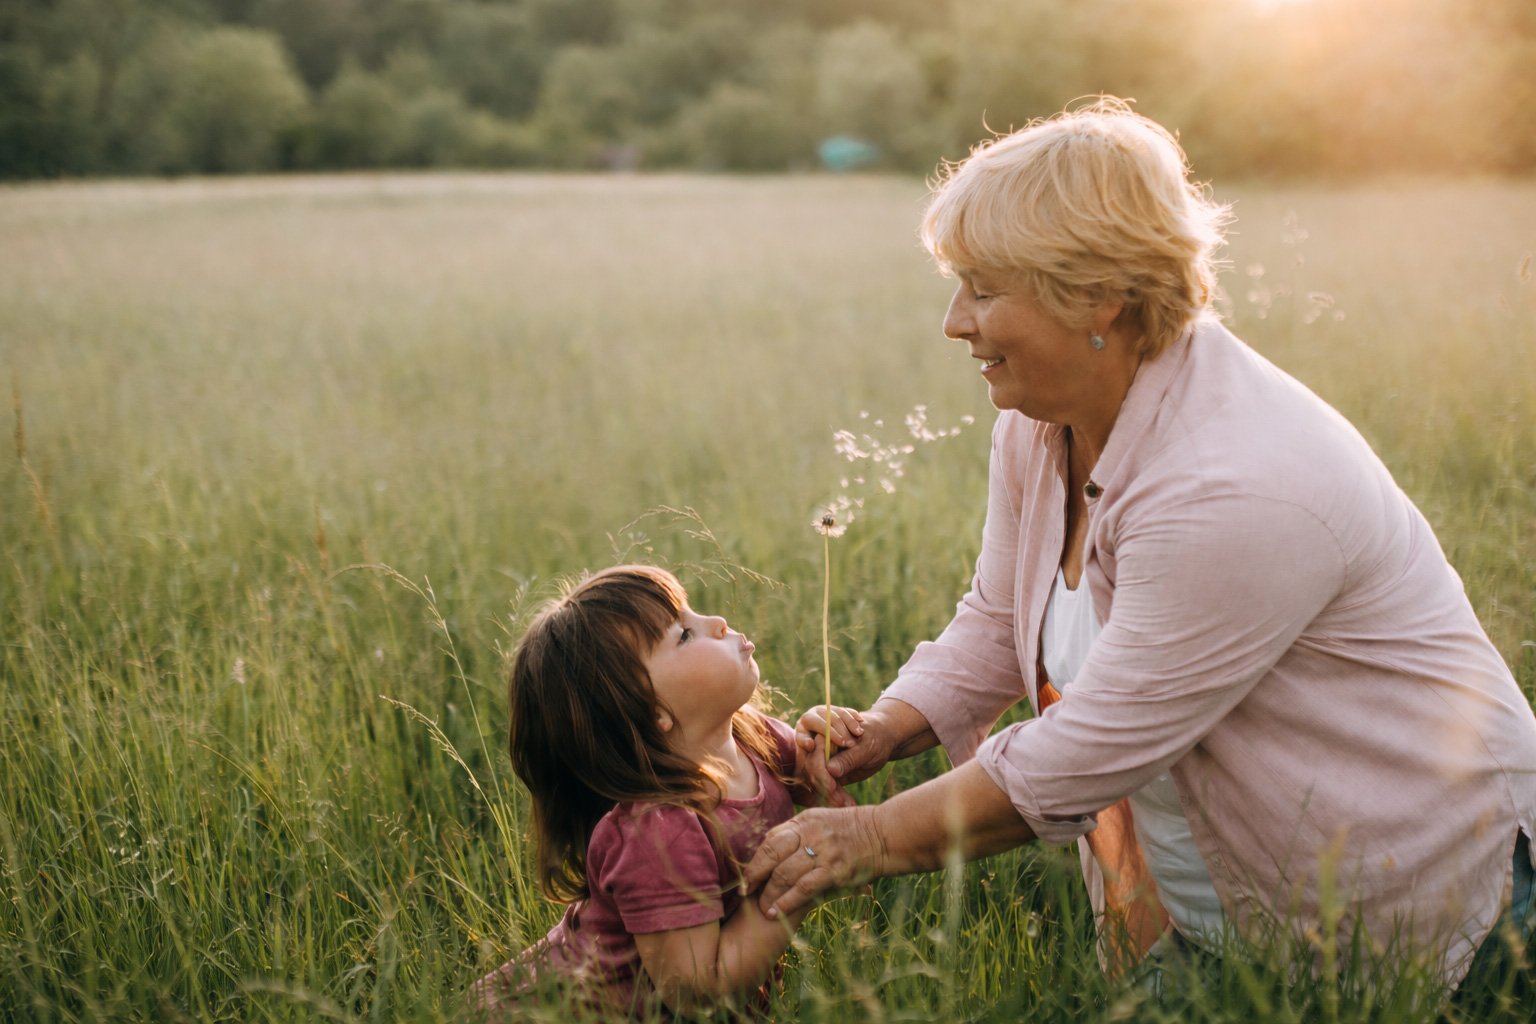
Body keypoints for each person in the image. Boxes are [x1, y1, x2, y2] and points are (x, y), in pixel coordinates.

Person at [741, 98, 1536, 991]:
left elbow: (1085, 753)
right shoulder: (1044, 421)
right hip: (1231, 918)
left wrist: (867, 838)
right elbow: (1000, 614)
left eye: (985, 288)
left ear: (1099, 296)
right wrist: (887, 729)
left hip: (1414, 916)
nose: (955, 322)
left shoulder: (1234, 485)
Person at [470, 564, 863, 1019]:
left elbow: (823, 806)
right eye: (684, 635)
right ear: (652, 710)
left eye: (692, 614)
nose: (716, 622)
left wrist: (822, 742)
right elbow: (699, 993)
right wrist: (796, 885)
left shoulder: (756, 738)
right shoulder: (659, 830)